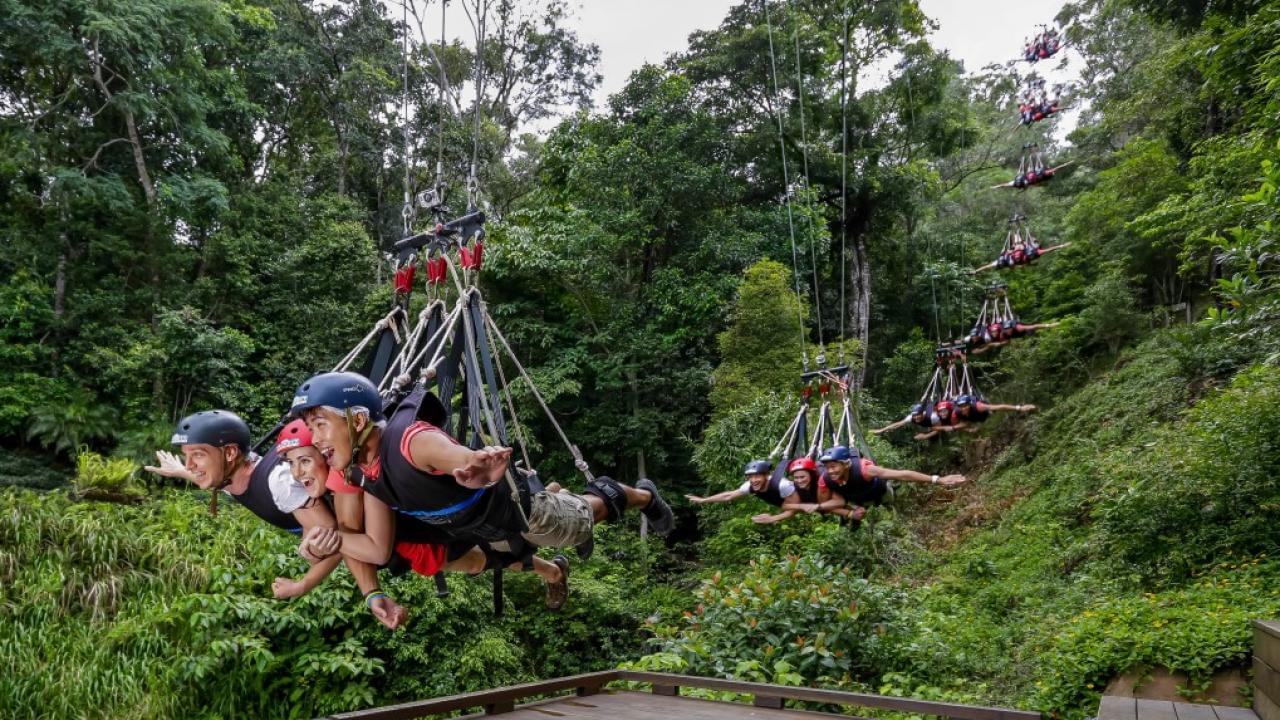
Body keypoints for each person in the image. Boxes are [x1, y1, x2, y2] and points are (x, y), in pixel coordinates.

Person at [291, 372, 673, 577]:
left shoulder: (410, 441)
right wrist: (327, 540)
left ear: (358, 420)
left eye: (320, 424)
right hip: (476, 529)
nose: (316, 438)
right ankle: (557, 494)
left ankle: (641, 496)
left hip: (517, 512)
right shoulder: (364, 473)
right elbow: (376, 548)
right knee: (496, 559)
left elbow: (452, 454)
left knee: (586, 518)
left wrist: (475, 465)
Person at [145, 410, 408, 629]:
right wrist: (182, 471)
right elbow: (216, 479)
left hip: (382, 532)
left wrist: (303, 585)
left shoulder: (280, 482)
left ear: (229, 454)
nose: (191, 464)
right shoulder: (234, 476)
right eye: (186, 456)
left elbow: (335, 537)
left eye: (198, 455)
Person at [275, 417, 573, 609]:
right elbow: (345, 537)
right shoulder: (326, 485)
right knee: (485, 558)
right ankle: (553, 563)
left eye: (305, 461)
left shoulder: (351, 476)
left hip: (425, 532)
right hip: (417, 539)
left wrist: (308, 577)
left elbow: (355, 540)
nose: (297, 473)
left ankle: (552, 551)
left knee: (496, 547)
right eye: (292, 464)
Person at [815, 446, 966, 530]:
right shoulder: (826, 480)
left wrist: (937, 479)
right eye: (827, 468)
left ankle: (889, 501)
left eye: (834, 467)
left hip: (879, 491)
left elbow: (902, 475)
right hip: (856, 499)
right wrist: (849, 513)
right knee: (849, 507)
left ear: (846, 464)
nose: (830, 471)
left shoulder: (866, 470)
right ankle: (854, 517)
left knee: (888, 499)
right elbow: (825, 506)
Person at [911, 396, 1037, 440]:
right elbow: (959, 426)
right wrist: (965, 429)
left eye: (965, 406)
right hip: (973, 421)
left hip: (984, 415)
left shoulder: (978, 406)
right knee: (954, 427)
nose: (963, 408)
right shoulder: (957, 412)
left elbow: (999, 406)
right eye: (961, 406)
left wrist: (1019, 408)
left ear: (969, 404)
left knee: (992, 411)